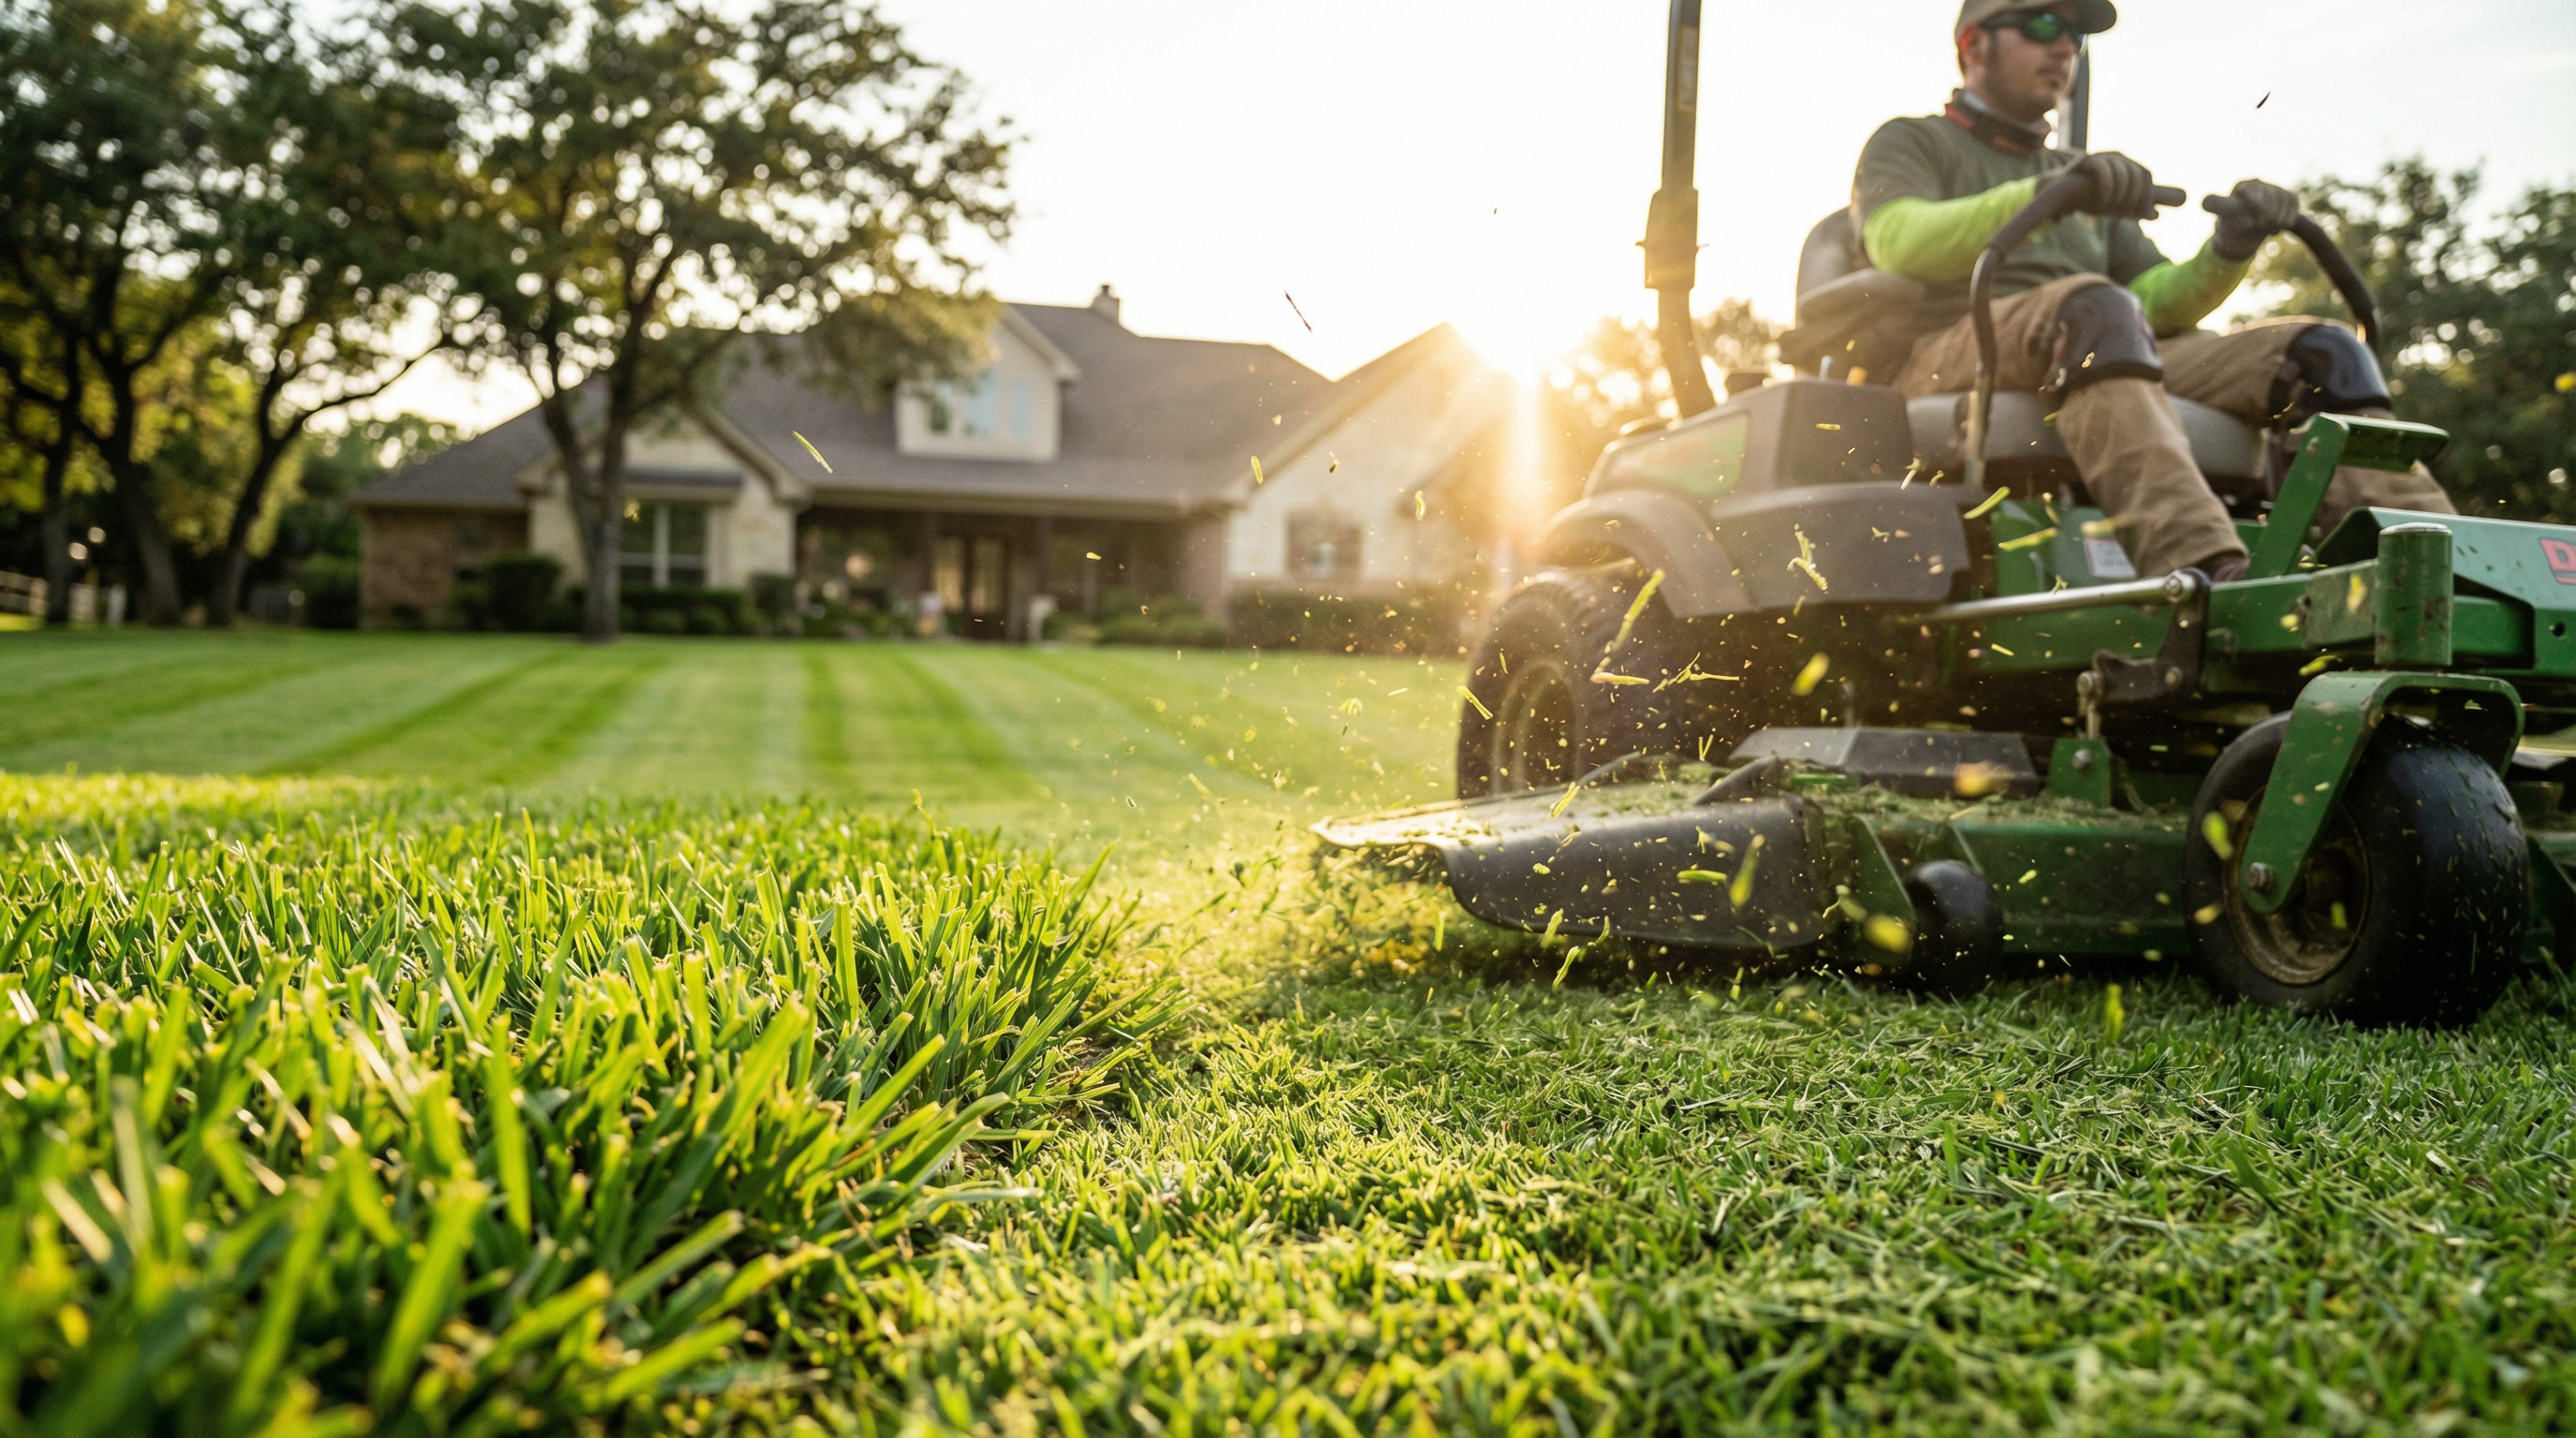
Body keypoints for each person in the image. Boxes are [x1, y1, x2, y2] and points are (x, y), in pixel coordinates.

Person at [1851, 0, 2453, 579]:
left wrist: (2229, 250)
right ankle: (2203, 571)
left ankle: (2440, 567)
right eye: (2040, 24)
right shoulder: (1913, 142)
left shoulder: (2080, 182)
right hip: (1946, 351)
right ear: (1973, 44)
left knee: (2321, 354)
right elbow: (1898, 240)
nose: (2064, 46)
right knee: (2093, 312)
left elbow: (2156, 301)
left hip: (2081, 334)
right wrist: (2048, 196)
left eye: (2076, 35)